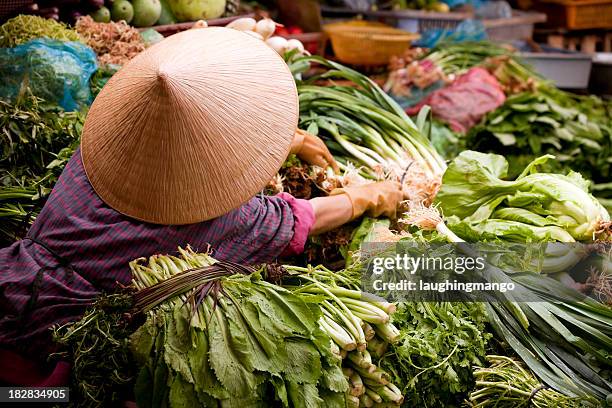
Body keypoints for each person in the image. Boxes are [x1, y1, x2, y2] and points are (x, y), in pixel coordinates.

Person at [0, 27, 406, 385]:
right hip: (55, 353)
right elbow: (292, 219)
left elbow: (180, 149)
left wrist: (287, 141)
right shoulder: (219, 221)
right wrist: (364, 197)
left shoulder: (99, 154)